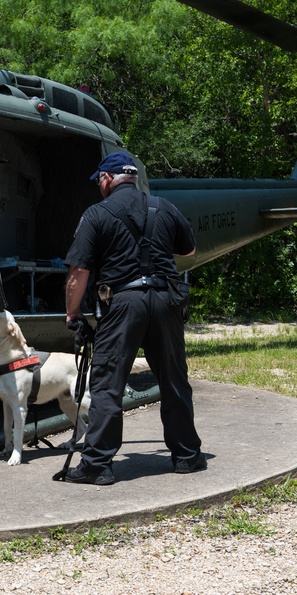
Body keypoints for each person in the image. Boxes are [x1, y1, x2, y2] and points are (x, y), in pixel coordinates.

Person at [62, 151, 205, 485]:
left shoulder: (97, 214)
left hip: (122, 302)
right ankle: (186, 456)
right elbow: (189, 251)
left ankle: (97, 465)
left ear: (108, 179)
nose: (99, 184)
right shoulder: (164, 207)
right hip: (166, 301)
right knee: (173, 380)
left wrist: (73, 312)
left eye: (100, 179)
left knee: (108, 383)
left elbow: (79, 269)